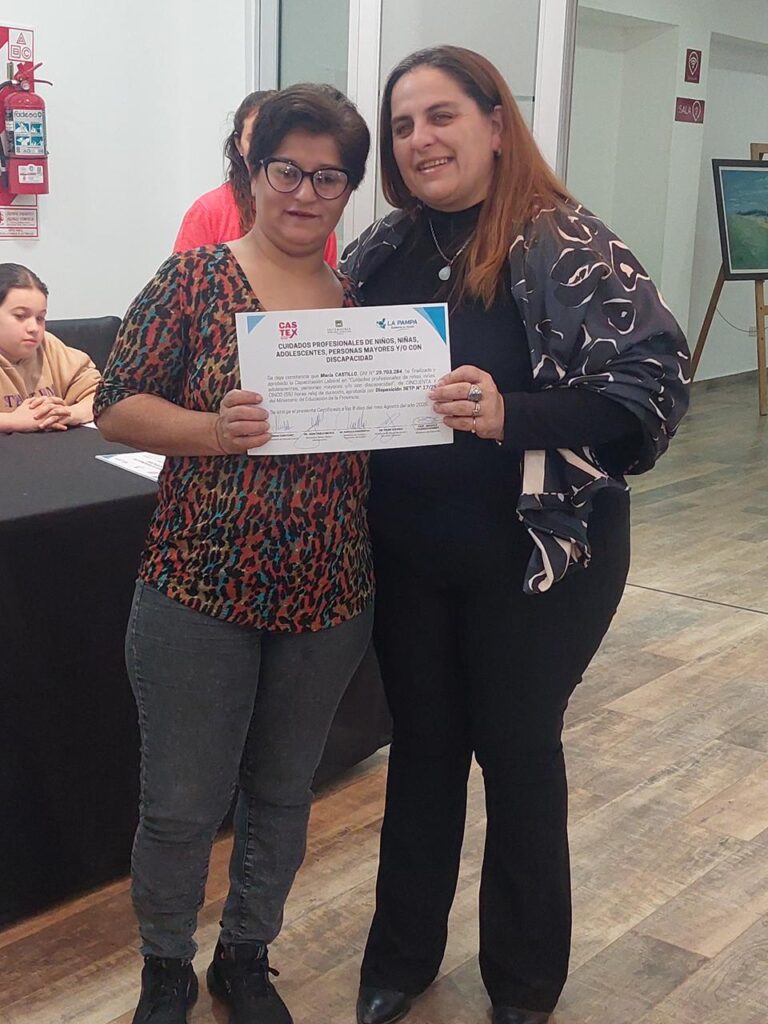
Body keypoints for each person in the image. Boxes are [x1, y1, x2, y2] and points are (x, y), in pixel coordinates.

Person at [341, 46, 690, 1024]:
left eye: (441, 115)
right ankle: (399, 959)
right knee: (422, 748)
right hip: (410, 553)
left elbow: (653, 387)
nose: (420, 139)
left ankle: (526, 982)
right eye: (402, 125)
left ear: (497, 125)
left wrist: (512, 415)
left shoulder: (563, 239)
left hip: (540, 553)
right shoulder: (380, 251)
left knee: (517, 747)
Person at [95, 83, 371, 1024]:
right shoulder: (192, 280)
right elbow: (116, 404)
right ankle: (166, 966)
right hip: (197, 587)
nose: (305, 192)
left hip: (329, 593)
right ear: (253, 173)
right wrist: (212, 430)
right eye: (287, 169)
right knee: (181, 801)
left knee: (284, 793)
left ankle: (246, 957)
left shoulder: (365, 305)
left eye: (329, 177)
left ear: (348, 191)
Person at [173, 89, 338, 266]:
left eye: (274, 140)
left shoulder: (312, 215)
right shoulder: (208, 213)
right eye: (254, 139)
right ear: (238, 144)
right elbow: (183, 278)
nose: (263, 150)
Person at [0, 263, 100, 432]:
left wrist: (69, 413)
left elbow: (103, 395)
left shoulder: (47, 345)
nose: (34, 328)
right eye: (20, 316)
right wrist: (12, 421)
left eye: (40, 318)